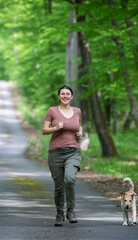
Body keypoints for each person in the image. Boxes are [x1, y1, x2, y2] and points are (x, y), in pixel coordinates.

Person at [42, 85, 82, 227]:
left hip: (73, 151)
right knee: (59, 186)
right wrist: (56, 128)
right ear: (59, 96)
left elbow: (79, 125)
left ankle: (70, 210)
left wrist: (80, 133)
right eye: (62, 94)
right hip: (56, 153)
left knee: (69, 179)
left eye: (68, 94)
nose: (65, 96)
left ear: (71, 96)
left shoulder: (77, 111)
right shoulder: (52, 111)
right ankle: (59, 213)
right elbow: (44, 130)